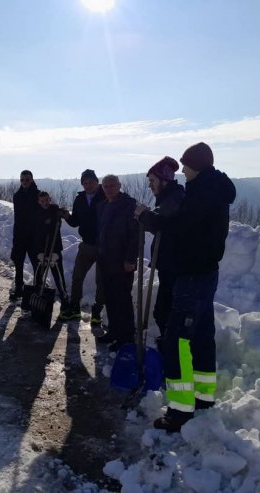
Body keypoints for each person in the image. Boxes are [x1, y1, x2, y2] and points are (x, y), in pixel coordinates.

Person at [152, 142, 236, 433]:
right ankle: (203, 396)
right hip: (206, 272)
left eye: (186, 165)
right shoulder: (213, 189)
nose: (183, 170)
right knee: (202, 335)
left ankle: (180, 409)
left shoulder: (203, 192)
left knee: (178, 341)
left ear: (196, 166)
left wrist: (148, 218)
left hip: (192, 273)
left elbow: (180, 226)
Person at [134, 157, 185, 354]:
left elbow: (159, 222)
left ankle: (173, 354)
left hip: (175, 265)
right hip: (167, 263)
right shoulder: (168, 198)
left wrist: (143, 215)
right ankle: (169, 349)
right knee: (163, 312)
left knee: (166, 312)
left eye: (152, 181)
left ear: (165, 180)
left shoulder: (175, 198)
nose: (150, 185)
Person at [95, 175, 140, 351]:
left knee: (122, 299)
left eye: (112, 186)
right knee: (110, 297)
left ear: (119, 186)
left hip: (122, 261)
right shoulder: (103, 206)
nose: (109, 189)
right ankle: (114, 331)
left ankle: (126, 337)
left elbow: (135, 236)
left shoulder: (129, 206)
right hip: (106, 259)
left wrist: (130, 259)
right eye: (106, 186)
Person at [59, 169, 106, 324]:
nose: (87, 185)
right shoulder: (80, 199)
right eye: (84, 183)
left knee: (101, 281)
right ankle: (74, 308)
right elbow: (76, 221)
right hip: (86, 244)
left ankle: (97, 312)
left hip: (104, 246)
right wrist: (67, 217)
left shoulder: (106, 195)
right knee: (77, 276)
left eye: (90, 182)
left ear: (97, 181)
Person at [32, 191, 69, 308]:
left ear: (50, 199)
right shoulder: (36, 213)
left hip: (55, 249)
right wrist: (39, 252)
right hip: (41, 250)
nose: (45, 203)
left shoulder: (54, 210)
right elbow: (36, 234)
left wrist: (63, 212)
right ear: (38, 202)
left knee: (58, 275)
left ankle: (64, 297)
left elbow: (62, 212)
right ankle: (37, 294)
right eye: (42, 201)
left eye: (47, 200)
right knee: (38, 275)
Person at [9, 170, 41, 301]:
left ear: (32, 179)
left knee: (37, 264)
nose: (24, 182)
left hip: (34, 236)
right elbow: (18, 218)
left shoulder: (38, 195)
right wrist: (16, 237)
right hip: (20, 235)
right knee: (18, 262)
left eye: (27, 179)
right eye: (22, 180)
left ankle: (39, 289)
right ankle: (18, 288)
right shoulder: (17, 196)